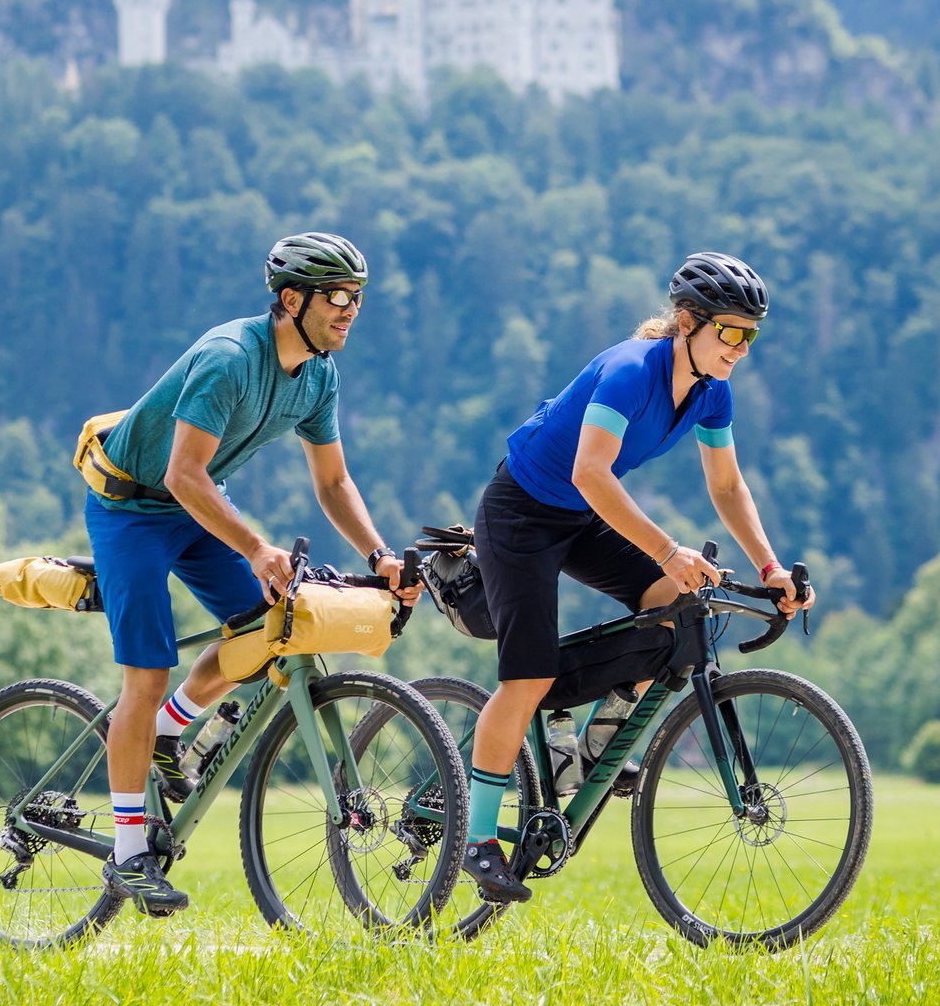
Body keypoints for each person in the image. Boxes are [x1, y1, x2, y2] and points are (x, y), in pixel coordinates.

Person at [463, 251, 816, 903]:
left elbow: (729, 485)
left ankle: (593, 744)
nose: (740, 347)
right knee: (528, 677)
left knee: (678, 608)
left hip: (582, 514)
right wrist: (665, 547)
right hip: (522, 513)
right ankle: (479, 842)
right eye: (730, 331)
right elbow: (590, 473)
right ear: (687, 321)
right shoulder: (629, 371)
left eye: (751, 335)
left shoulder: (712, 390)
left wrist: (770, 567)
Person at [85, 231, 419, 914]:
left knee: (269, 627)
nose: (351, 308)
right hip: (134, 509)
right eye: (337, 295)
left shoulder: (319, 374)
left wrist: (379, 555)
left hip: (197, 504)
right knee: (144, 679)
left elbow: (333, 483)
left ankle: (172, 731)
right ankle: (127, 854)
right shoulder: (230, 359)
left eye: (358, 297)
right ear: (290, 299)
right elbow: (182, 473)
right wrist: (257, 548)